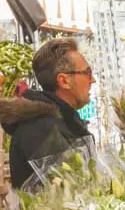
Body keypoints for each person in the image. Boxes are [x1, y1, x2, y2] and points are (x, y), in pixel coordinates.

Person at [0, 38, 95, 189]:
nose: (93, 80)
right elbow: (69, 193)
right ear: (64, 81)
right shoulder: (42, 129)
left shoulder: (62, 121)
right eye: (87, 73)